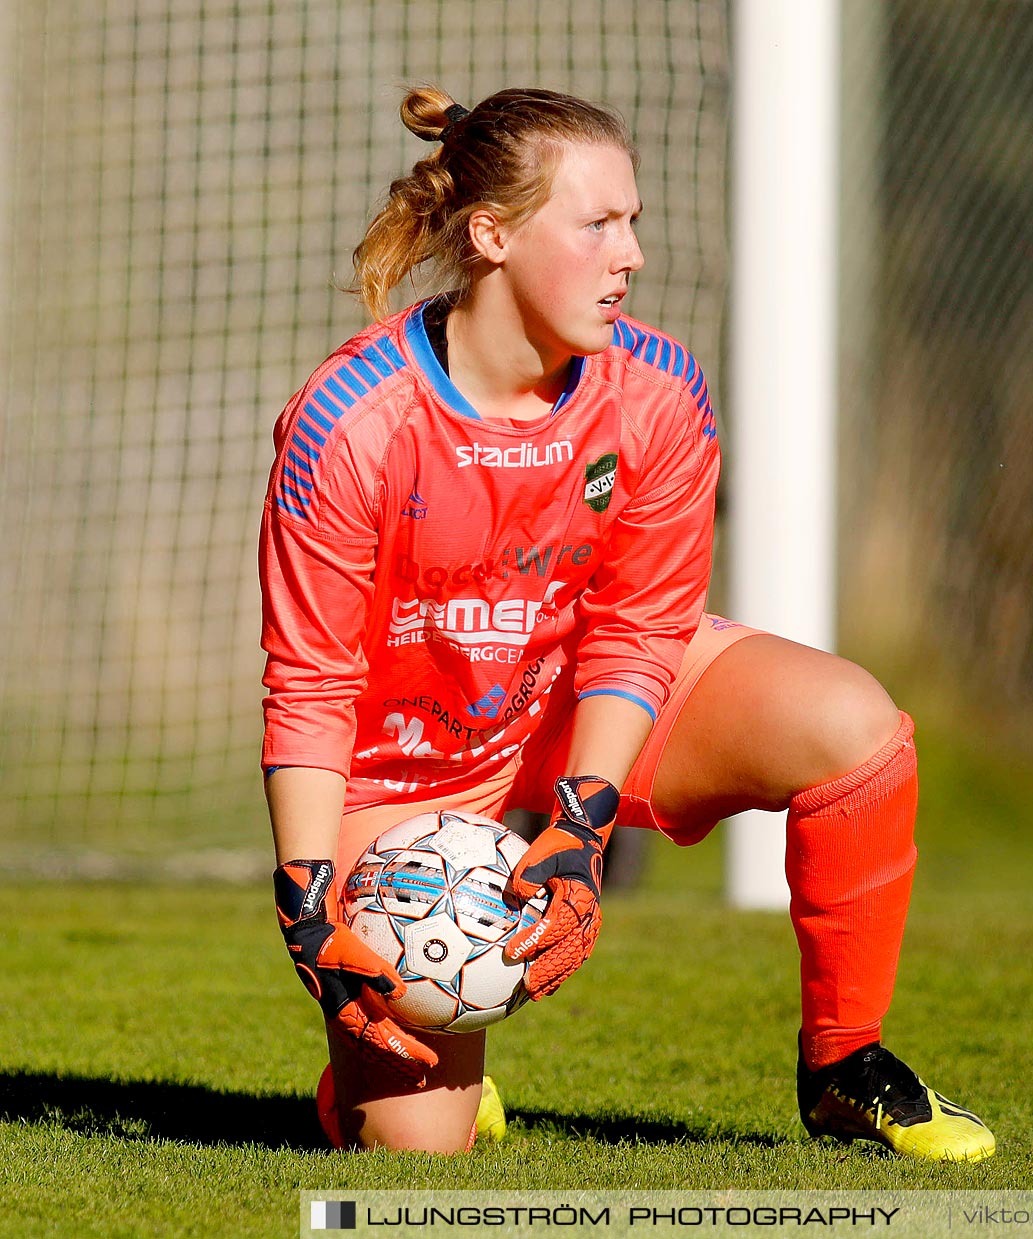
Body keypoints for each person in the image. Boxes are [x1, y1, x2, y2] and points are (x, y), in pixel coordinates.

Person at [260, 86, 994, 1162]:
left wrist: (582, 824)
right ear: (493, 236)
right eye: (598, 224)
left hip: (569, 704)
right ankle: (370, 1078)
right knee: (418, 1153)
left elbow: (639, 629)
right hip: (404, 773)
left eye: (634, 221)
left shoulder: (657, 393)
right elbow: (312, 685)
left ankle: (844, 1065)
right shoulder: (350, 424)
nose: (631, 255)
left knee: (856, 730)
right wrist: (310, 911)